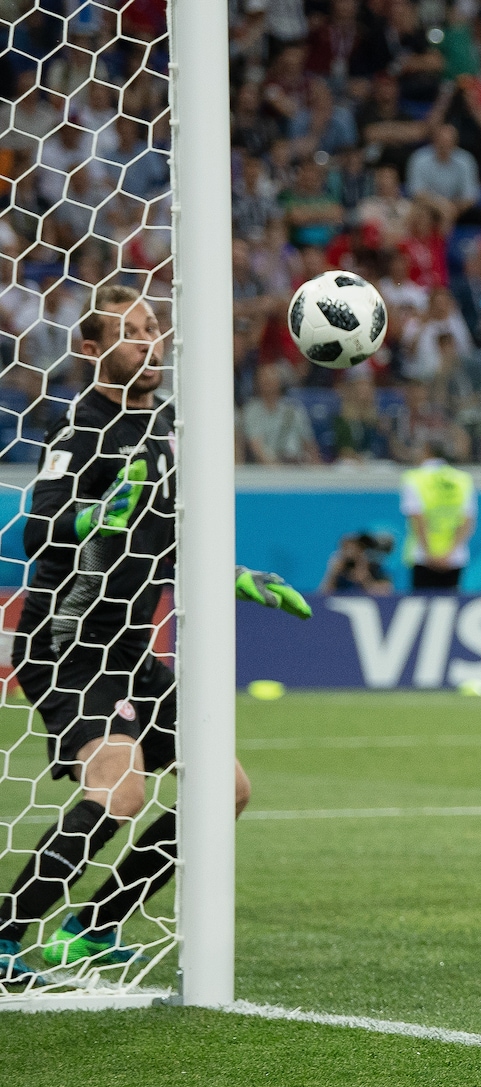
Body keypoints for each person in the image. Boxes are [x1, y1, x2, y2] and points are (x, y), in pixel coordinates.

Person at [0, 287, 311, 983]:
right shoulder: (81, 424)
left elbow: (167, 534)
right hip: (67, 640)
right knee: (122, 789)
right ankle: (5, 932)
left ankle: (94, 925)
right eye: (131, 332)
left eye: (153, 329)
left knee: (226, 789)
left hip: (132, 648)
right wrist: (92, 517)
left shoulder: (167, 424)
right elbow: (37, 528)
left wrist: (233, 573)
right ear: (91, 349)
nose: (150, 343)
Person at [400, 443, 478, 591]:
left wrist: (429, 554)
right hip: (454, 558)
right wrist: (450, 553)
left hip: (423, 556)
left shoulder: (415, 478)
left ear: (427, 451)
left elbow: (417, 519)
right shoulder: (462, 479)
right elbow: (467, 521)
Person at [320, 531, 397, 595]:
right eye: (347, 549)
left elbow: (387, 595)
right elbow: (322, 597)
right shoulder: (340, 570)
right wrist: (332, 574)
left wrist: (365, 579)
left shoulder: (378, 570)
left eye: (360, 548)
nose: (352, 553)